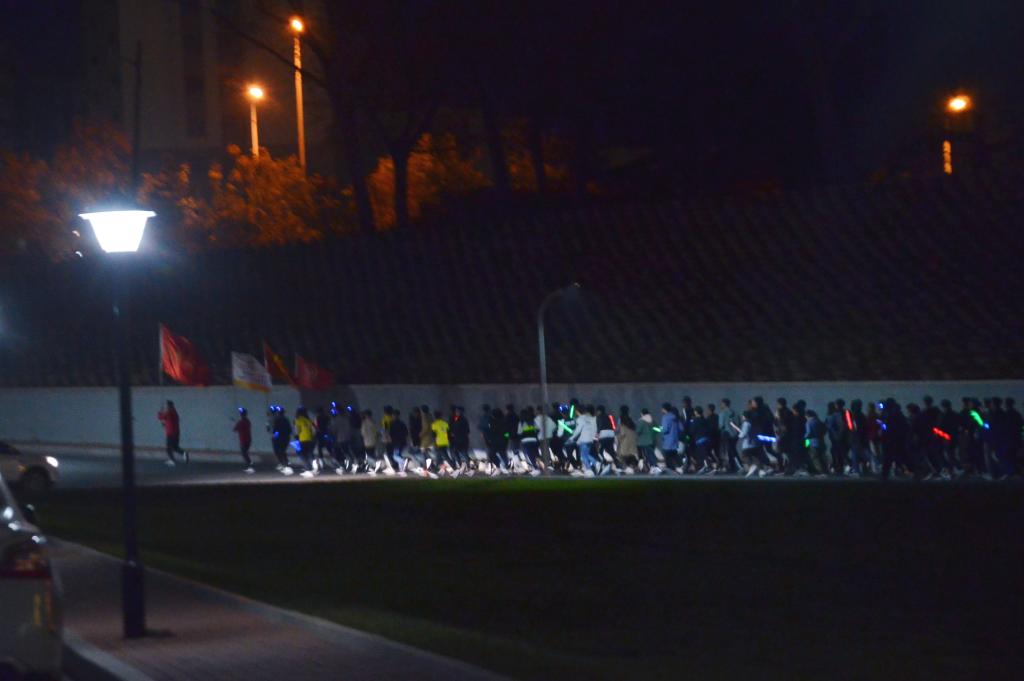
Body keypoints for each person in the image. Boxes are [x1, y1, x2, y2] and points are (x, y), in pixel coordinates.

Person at [568, 404, 599, 476]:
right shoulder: (591, 418)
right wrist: (593, 437)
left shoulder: (580, 419)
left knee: (583, 456)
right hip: (590, 439)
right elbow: (594, 428)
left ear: (577, 411)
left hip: (583, 440)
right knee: (586, 455)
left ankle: (591, 468)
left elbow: (578, 430)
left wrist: (572, 437)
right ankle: (594, 466)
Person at [158, 400, 188, 466]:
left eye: (166, 406)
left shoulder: (169, 412)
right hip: (176, 432)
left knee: (168, 448)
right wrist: (165, 424)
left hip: (171, 433)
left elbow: (160, 417)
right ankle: (184, 453)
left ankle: (172, 460)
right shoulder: (174, 412)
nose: (166, 407)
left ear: (169, 406)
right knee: (175, 447)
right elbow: (170, 421)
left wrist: (160, 411)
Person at [270, 406, 294, 475]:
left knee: (279, 451)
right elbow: (289, 429)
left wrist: (274, 437)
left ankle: (285, 465)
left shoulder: (278, 420)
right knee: (282, 451)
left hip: (280, 438)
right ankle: (285, 464)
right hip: (286, 437)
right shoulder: (286, 419)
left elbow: (276, 429)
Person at [659, 403, 682, 473]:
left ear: (664, 409)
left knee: (668, 457)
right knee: (674, 455)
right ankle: (679, 467)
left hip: (668, 441)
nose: (661, 410)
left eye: (662, 408)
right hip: (675, 440)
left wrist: (659, 429)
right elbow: (681, 428)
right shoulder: (675, 417)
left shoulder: (665, 417)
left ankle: (672, 470)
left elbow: (665, 429)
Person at [294, 407, 317, 477]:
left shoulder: (298, 420)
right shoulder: (308, 420)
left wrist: (297, 437)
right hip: (310, 439)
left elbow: (297, 431)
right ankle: (313, 467)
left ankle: (308, 469)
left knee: (301, 454)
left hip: (303, 439)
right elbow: (314, 430)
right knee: (309, 453)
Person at [517, 407, 541, 475]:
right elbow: (538, 429)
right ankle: (542, 466)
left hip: (525, 441)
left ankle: (535, 468)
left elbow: (519, 433)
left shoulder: (521, 423)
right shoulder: (532, 421)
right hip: (534, 440)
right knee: (536, 454)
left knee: (530, 455)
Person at [431, 410, 456, 475]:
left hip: (439, 442)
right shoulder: (445, 423)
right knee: (438, 455)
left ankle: (454, 467)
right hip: (445, 441)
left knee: (445, 456)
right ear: (441, 416)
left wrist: (434, 442)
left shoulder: (434, 424)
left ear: (435, 417)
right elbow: (448, 433)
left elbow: (434, 435)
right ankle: (436, 468)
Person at [615, 408, 639, 473]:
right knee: (630, 454)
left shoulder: (621, 420)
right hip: (631, 440)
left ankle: (625, 468)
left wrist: (617, 437)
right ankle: (634, 466)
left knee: (621, 455)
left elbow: (620, 430)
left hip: (624, 441)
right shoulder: (630, 419)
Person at [637, 408, 660, 474]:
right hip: (653, 440)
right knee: (651, 454)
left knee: (648, 454)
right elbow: (658, 429)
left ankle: (654, 466)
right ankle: (652, 467)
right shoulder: (652, 420)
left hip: (644, 442)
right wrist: (652, 433)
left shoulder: (641, 421)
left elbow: (638, 431)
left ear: (642, 414)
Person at [805, 410, 828, 475]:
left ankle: (820, 471)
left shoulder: (809, 423)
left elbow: (808, 433)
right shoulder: (819, 422)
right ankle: (826, 470)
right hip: (821, 441)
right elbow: (825, 430)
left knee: (815, 458)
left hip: (812, 442)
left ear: (808, 416)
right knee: (822, 457)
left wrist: (805, 442)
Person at [449, 406, 471, 473]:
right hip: (464, 439)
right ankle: (467, 466)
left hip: (458, 439)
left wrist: (453, 433)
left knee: (457, 452)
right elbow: (468, 430)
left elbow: (455, 428)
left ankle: (462, 466)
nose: (456, 412)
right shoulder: (464, 419)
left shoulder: (457, 419)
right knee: (464, 453)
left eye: (457, 411)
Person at [233, 407, 254, 473]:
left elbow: (234, 429)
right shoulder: (248, 421)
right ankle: (249, 465)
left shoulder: (240, 422)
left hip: (243, 440)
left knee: (244, 454)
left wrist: (236, 423)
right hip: (248, 439)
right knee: (245, 453)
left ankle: (250, 465)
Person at [361, 410, 382, 474]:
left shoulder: (364, 423)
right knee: (372, 453)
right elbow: (378, 431)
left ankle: (375, 464)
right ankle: (374, 466)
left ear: (365, 415)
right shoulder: (374, 422)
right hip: (374, 440)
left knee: (369, 455)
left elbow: (363, 433)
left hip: (367, 441)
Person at [314, 406, 332, 472]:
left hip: (320, 435)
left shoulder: (317, 417)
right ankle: (336, 461)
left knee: (320, 450)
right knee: (330, 449)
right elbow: (329, 425)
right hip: (326, 434)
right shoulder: (326, 417)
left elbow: (316, 427)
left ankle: (323, 464)